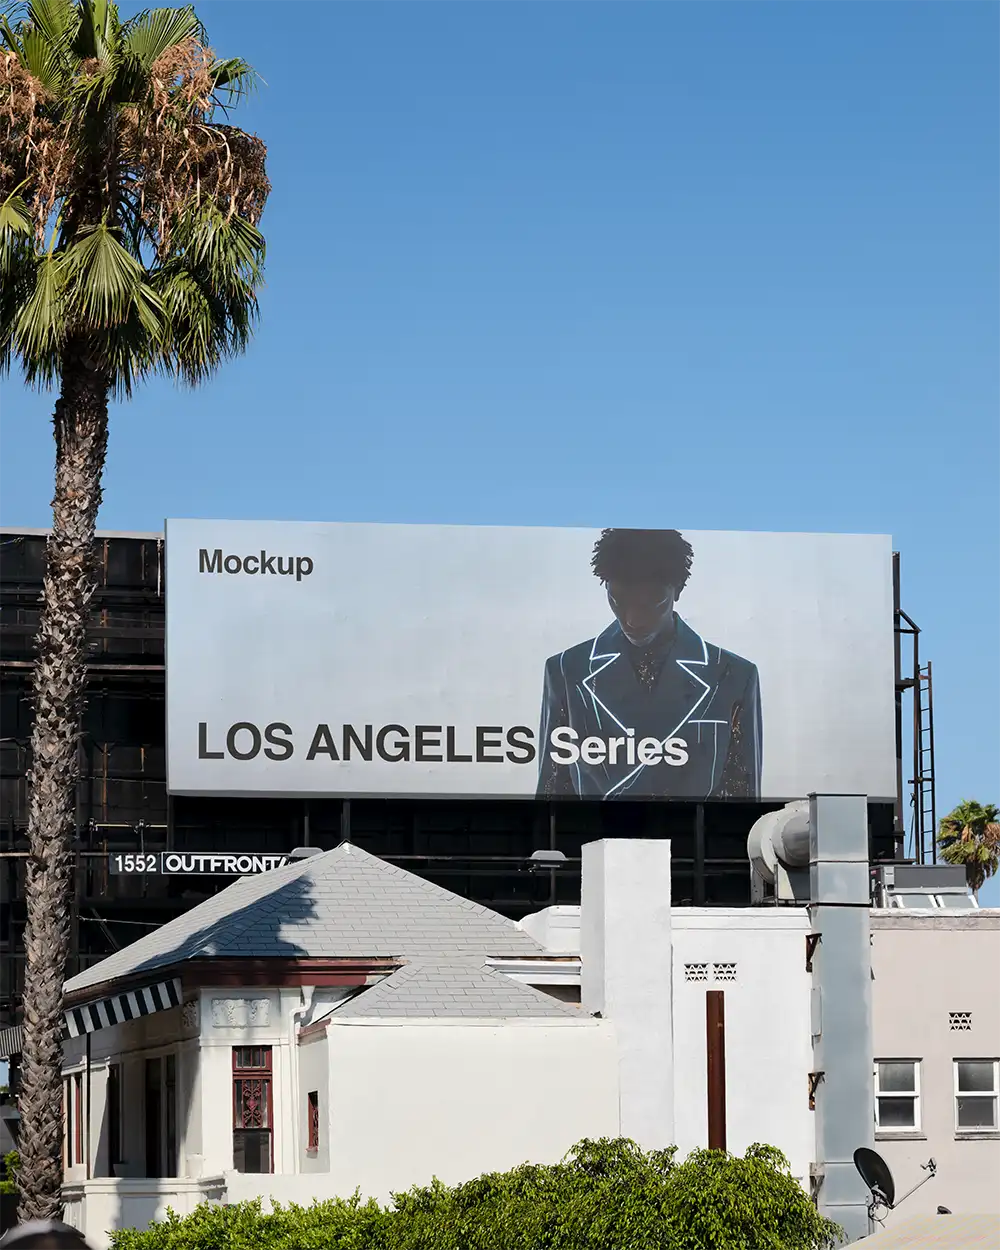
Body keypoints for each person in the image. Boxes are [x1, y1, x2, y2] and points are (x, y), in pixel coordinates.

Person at [536, 528, 761, 799]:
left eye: (653, 603)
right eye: (618, 601)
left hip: (693, 837)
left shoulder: (732, 675)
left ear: (677, 591)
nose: (633, 620)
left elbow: (743, 797)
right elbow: (552, 793)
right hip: (595, 838)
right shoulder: (567, 669)